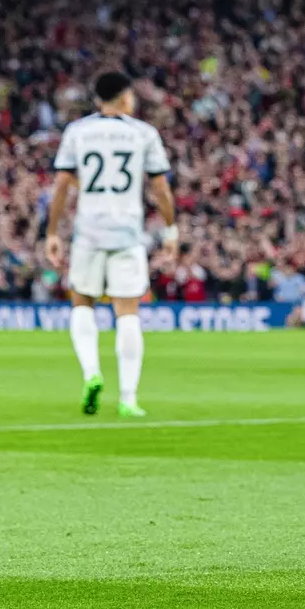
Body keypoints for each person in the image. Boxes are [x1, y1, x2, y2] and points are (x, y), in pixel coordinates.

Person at [43, 72, 177, 418]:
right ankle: (128, 398)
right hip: (128, 232)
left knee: (82, 303)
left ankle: (91, 373)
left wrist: (53, 232)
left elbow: (61, 185)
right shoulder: (144, 134)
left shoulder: (78, 132)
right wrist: (171, 230)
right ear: (123, 97)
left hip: (89, 231)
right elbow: (160, 188)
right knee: (128, 312)